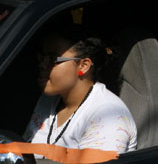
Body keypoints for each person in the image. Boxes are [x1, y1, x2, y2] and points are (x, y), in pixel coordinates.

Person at [24, 25, 137, 154]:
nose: (42, 65)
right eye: (42, 57)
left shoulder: (108, 117)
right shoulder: (49, 100)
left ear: (83, 66)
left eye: (52, 59)